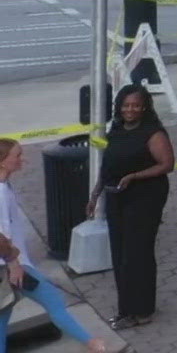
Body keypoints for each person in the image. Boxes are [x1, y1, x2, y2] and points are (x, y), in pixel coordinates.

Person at [0, 138, 110, 352]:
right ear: (3, 162)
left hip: (9, 266)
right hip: (12, 266)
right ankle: (93, 344)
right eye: (18, 155)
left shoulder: (5, 186)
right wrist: (14, 263)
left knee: (2, 318)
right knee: (54, 302)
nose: (23, 159)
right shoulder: (1, 193)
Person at [87, 84, 174, 329]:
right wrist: (95, 196)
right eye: (126, 105)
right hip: (117, 195)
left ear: (144, 106)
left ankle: (143, 311)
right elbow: (107, 166)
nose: (130, 110)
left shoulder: (153, 133)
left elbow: (167, 164)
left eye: (135, 105)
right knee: (120, 254)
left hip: (145, 196)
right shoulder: (116, 129)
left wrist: (135, 176)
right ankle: (126, 309)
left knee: (138, 253)